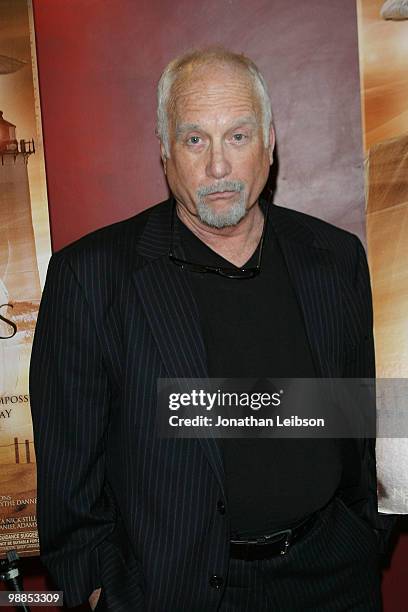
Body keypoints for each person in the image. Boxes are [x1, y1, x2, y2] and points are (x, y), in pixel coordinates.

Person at [30, 48, 394, 611]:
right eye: (195, 139)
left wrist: (362, 533)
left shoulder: (335, 257)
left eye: (239, 136)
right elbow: (67, 479)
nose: (219, 166)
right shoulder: (92, 278)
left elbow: (358, 421)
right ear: (164, 151)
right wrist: (105, 593)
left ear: (270, 142)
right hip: (177, 592)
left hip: (334, 578)